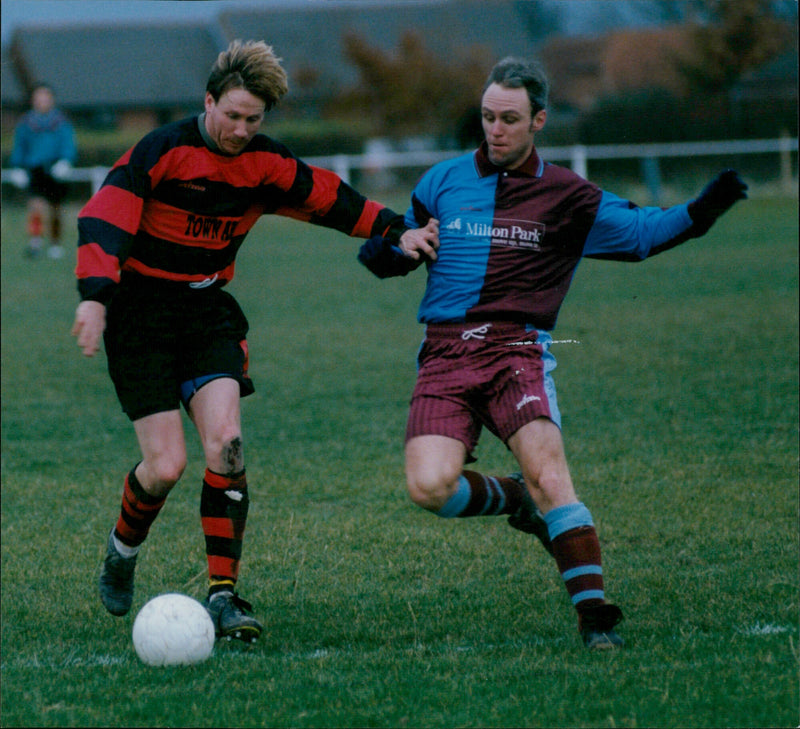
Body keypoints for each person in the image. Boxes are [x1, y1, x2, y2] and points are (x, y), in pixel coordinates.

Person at [358, 56, 747, 650]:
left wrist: (704, 210)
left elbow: (642, 233)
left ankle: (596, 619)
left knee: (550, 473)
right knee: (429, 488)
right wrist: (393, 249)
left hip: (517, 349)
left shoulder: (568, 196)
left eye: (509, 118)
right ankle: (517, 500)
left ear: (538, 120)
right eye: (487, 117)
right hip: (443, 353)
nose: (495, 129)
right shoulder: (441, 181)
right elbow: (391, 248)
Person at [70, 39, 438, 643]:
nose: (241, 129)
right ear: (208, 101)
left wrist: (400, 229)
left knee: (228, 446)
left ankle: (223, 595)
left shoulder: (265, 163)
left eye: (254, 120)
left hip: (208, 314)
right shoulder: (161, 151)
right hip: (140, 316)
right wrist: (94, 293)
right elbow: (105, 217)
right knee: (165, 467)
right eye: (232, 115)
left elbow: (331, 200)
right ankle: (121, 550)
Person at [8, 83, 77, 259]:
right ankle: (35, 242)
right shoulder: (26, 122)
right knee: (36, 208)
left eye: (45, 97)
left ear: (51, 99)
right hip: (35, 168)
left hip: (55, 168)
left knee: (55, 209)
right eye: (39, 98)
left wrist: (66, 161)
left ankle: (55, 244)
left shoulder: (61, 121)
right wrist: (17, 166)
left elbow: (68, 143)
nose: (42, 101)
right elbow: (20, 147)